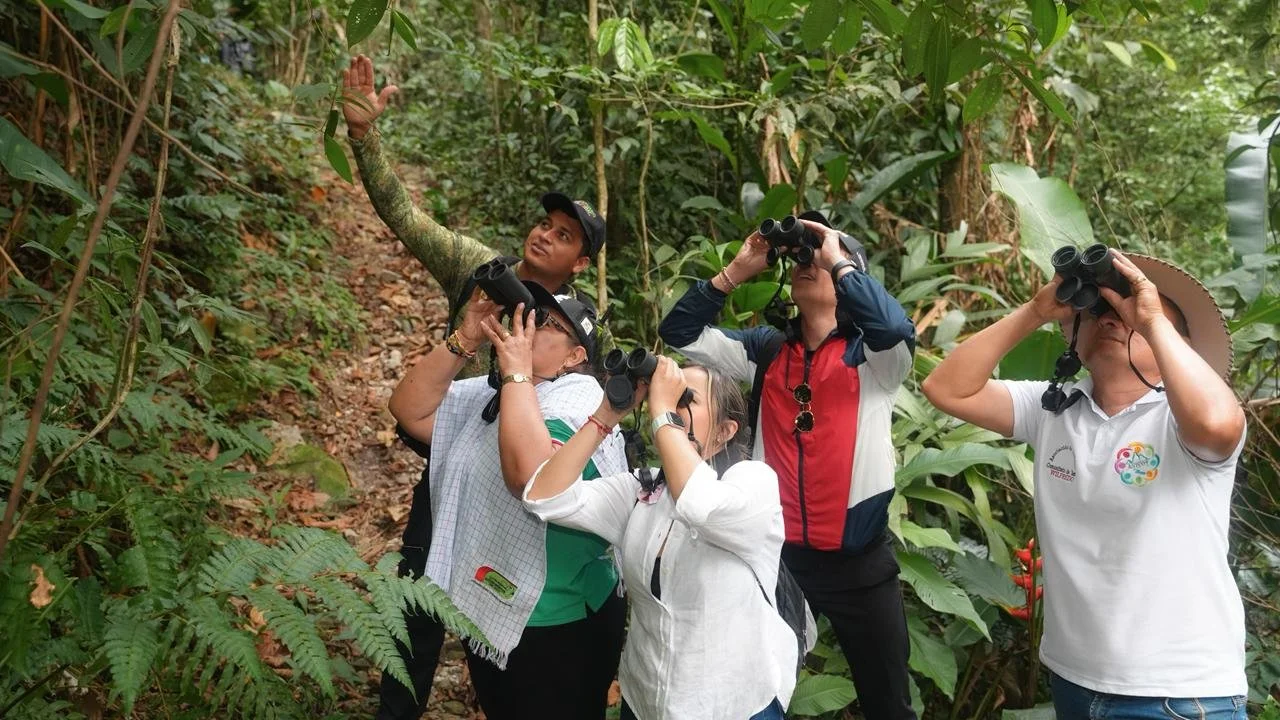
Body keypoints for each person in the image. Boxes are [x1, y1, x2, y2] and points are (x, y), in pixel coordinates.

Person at [340, 54, 611, 718]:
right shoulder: (478, 270)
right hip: (446, 443)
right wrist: (364, 137)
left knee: (492, 600)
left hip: (516, 473)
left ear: (580, 263)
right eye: (546, 223)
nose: (547, 234)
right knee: (417, 597)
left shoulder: (575, 332)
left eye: (566, 234)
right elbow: (405, 216)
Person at [920, 249, 1248, 719]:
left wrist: (1151, 319)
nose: (1114, 320)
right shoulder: (1053, 409)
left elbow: (1217, 423)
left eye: (1133, 316)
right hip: (1074, 680)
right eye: (1100, 311)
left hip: (1179, 691)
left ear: (1179, 349)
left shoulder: (1183, 424)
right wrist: (1035, 311)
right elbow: (946, 389)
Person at [658, 212, 918, 720]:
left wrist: (835, 257)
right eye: (800, 256)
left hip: (860, 564)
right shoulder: (766, 351)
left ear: (851, 275)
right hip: (778, 561)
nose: (807, 262)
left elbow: (892, 325)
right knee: (754, 690)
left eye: (817, 256)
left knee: (889, 704)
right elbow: (679, 332)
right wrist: (736, 271)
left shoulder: (876, 359)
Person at [389, 284, 628, 720]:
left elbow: (532, 479)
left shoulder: (581, 397)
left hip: (561, 620)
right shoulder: (496, 391)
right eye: (530, 313)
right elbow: (410, 410)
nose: (529, 324)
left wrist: (517, 373)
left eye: (547, 323)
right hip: (489, 607)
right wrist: (465, 337)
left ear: (574, 357)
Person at [523, 356, 796, 719]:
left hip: (730, 706)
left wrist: (664, 410)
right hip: (644, 700)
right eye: (669, 396)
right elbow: (544, 498)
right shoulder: (642, 490)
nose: (671, 406)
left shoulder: (753, 484)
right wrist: (606, 415)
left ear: (725, 431)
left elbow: (700, 504)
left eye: (688, 400)